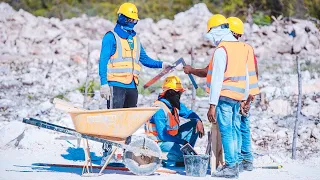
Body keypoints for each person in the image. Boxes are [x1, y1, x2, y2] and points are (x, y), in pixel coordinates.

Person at [99, 2, 172, 165]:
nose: (132, 23)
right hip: (115, 85)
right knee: (113, 120)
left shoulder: (135, 38)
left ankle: (126, 152)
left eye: (135, 21)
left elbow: (144, 59)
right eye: (130, 20)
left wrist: (162, 64)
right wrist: (104, 83)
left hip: (132, 86)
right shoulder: (111, 37)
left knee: (128, 122)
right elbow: (103, 61)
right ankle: (107, 152)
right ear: (121, 18)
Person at [205, 14, 259, 178]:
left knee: (227, 131)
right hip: (238, 97)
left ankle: (231, 166)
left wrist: (212, 105)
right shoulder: (242, 48)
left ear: (216, 31)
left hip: (225, 96)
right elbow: (247, 76)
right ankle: (235, 162)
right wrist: (245, 99)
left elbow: (217, 79)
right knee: (235, 130)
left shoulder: (222, 50)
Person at [145, 76, 204, 166]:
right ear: (170, 93)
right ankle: (173, 157)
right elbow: (163, 136)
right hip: (159, 143)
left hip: (173, 137)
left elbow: (189, 113)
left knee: (194, 123)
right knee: (183, 155)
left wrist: (198, 120)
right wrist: (181, 142)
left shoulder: (174, 104)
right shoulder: (159, 109)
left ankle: (186, 154)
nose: (180, 95)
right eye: (178, 93)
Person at [226, 16, 259, 172]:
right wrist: (251, 95)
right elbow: (254, 72)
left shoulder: (233, 49)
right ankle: (247, 160)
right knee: (244, 126)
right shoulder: (247, 48)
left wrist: (244, 98)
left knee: (237, 127)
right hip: (247, 93)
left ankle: (239, 160)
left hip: (239, 95)